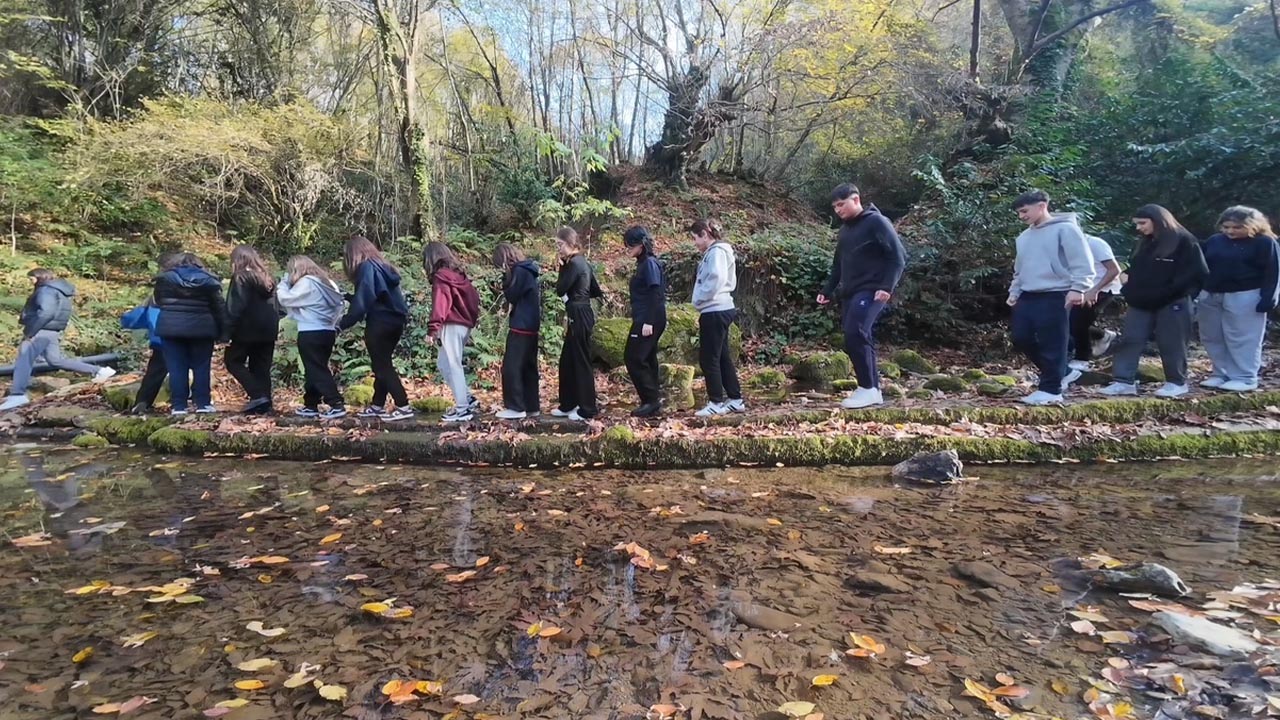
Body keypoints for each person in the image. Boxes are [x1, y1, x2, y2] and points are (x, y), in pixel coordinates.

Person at [1100, 205, 1208, 398]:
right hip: (1140, 301)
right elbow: (1138, 269)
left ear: (1159, 220)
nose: (1139, 228)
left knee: (1172, 342)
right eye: (1136, 224)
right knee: (1130, 339)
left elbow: (1196, 274)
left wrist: (1172, 294)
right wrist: (1128, 283)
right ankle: (1123, 381)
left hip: (1173, 301)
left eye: (1142, 223)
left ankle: (1176, 382)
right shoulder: (1144, 243)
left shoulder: (1185, 241)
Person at [817, 183, 906, 409]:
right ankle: (870, 387)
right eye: (835, 206)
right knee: (854, 335)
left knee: (856, 331)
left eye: (841, 204)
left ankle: (869, 388)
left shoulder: (876, 222)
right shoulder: (845, 230)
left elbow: (898, 256)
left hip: (873, 289)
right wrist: (827, 290)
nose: (838, 210)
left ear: (856, 200)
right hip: (851, 291)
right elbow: (838, 265)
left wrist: (887, 286)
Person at [1006, 190, 1095, 405]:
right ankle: (1063, 371)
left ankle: (1051, 390)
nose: (1022, 216)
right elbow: (1020, 268)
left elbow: (1082, 261)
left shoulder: (1066, 229)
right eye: (1019, 212)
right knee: (1021, 336)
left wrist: (1079, 288)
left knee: (1053, 342)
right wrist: (1014, 291)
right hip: (1028, 293)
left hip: (1056, 293)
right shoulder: (1024, 237)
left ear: (1042, 205)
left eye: (1025, 211)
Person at [0, 269, 117, 411]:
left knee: (24, 360)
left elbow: (46, 312)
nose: (30, 282)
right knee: (55, 360)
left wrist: (31, 332)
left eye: (31, 279)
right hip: (52, 331)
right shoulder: (60, 291)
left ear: (39, 278)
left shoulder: (45, 290)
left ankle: (17, 395)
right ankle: (100, 371)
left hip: (40, 331)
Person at [1198, 206, 1280, 392]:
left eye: (1237, 227)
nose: (1230, 231)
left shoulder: (1265, 243)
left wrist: (1269, 298)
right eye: (1226, 227)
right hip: (1211, 294)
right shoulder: (1215, 240)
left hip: (1246, 294)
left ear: (1253, 226)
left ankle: (1244, 377)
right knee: (1212, 336)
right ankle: (1221, 373)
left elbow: (1273, 272)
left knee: (1243, 337)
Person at [338, 235, 413, 422]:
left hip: (380, 322)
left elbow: (363, 301)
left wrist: (342, 324)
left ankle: (403, 405)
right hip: (395, 321)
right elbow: (376, 295)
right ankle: (377, 405)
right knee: (383, 363)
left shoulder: (366, 268)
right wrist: (348, 297)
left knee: (381, 365)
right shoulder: (382, 267)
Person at [154, 253, 227, 416]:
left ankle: (178, 406)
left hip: (171, 329)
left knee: (176, 368)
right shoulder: (209, 281)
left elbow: (158, 301)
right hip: (202, 329)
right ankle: (203, 403)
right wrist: (223, 332)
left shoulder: (164, 280)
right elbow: (219, 307)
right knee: (202, 366)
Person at [276, 255, 347, 419]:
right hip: (327, 331)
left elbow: (286, 299)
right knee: (315, 367)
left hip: (310, 331)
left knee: (316, 368)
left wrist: (283, 284)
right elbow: (340, 306)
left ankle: (336, 402)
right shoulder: (329, 283)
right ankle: (311, 403)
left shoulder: (307, 282)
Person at [690, 219, 746, 416]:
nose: (694, 243)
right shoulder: (716, 252)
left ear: (705, 234)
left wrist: (699, 298)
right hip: (717, 308)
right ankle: (735, 398)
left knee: (708, 358)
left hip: (715, 309)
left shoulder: (716, 252)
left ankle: (715, 402)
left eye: (695, 238)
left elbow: (716, 278)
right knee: (722, 357)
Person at [424, 240, 481, 423]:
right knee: (444, 364)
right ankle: (467, 399)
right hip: (464, 324)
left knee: (452, 364)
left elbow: (441, 304)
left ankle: (462, 409)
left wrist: (433, 329)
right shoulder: (459, 275)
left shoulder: (441, 277)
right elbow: (474, 300)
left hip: (451, 324)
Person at [119, 251, 179, 415]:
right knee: (187, 369)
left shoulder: (157, 291)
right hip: (185, 335)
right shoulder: (190, 285)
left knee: (155, 372)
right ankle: (183, 405)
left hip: (161, 338)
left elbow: (139, 314)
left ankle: (142, 403)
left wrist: (124, 319)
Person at [553, 227, 602, 421]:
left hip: (580, 314)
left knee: (580, 361)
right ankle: (568, 403)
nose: (558, 249)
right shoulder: (583, 263)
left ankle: (587, 408)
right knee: (567, 361)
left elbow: (560, 288)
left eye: (560, 245)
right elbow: (595, 290)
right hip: (580, 312)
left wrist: (562, 268)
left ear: (571, 244)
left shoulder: (573, 264)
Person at [224, 245, 280, 414]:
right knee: (261, 366)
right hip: (269, 329)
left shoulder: (241, 277)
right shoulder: (268, 278)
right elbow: (280, 306)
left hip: (246, 329)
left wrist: (225, 332)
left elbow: (234, 307)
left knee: (233, 361)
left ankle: (258, 396)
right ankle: (265, 405)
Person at [622, 226, 667, 418]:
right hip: (647, 317)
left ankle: (650, 400)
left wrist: (648, 321)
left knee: (633, 357)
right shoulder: (643, 263)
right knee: (647, 358)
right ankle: (652, 399)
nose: (627, 249)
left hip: (649, 318)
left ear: (641, 244)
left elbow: (656, 293)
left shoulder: (649, 264)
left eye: (630, 245)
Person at [493, 243, 542, 420]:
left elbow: (512, 295)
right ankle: (532, 406)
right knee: (528, 367)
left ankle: (515, 406)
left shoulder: (520, 272)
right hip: (531, 325)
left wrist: (506, 279)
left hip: (521, 325)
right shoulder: (529, 270)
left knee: (511, 366)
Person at [1069, 234, 1123, 370]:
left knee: (1078, 321)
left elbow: (1114, 270)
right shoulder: (1064, 245)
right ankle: (1103, 335)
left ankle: (1082, 359)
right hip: (1079, 288)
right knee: (1066, 321)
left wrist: (1095, 290)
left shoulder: (1095, 244)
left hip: (1103, 287)